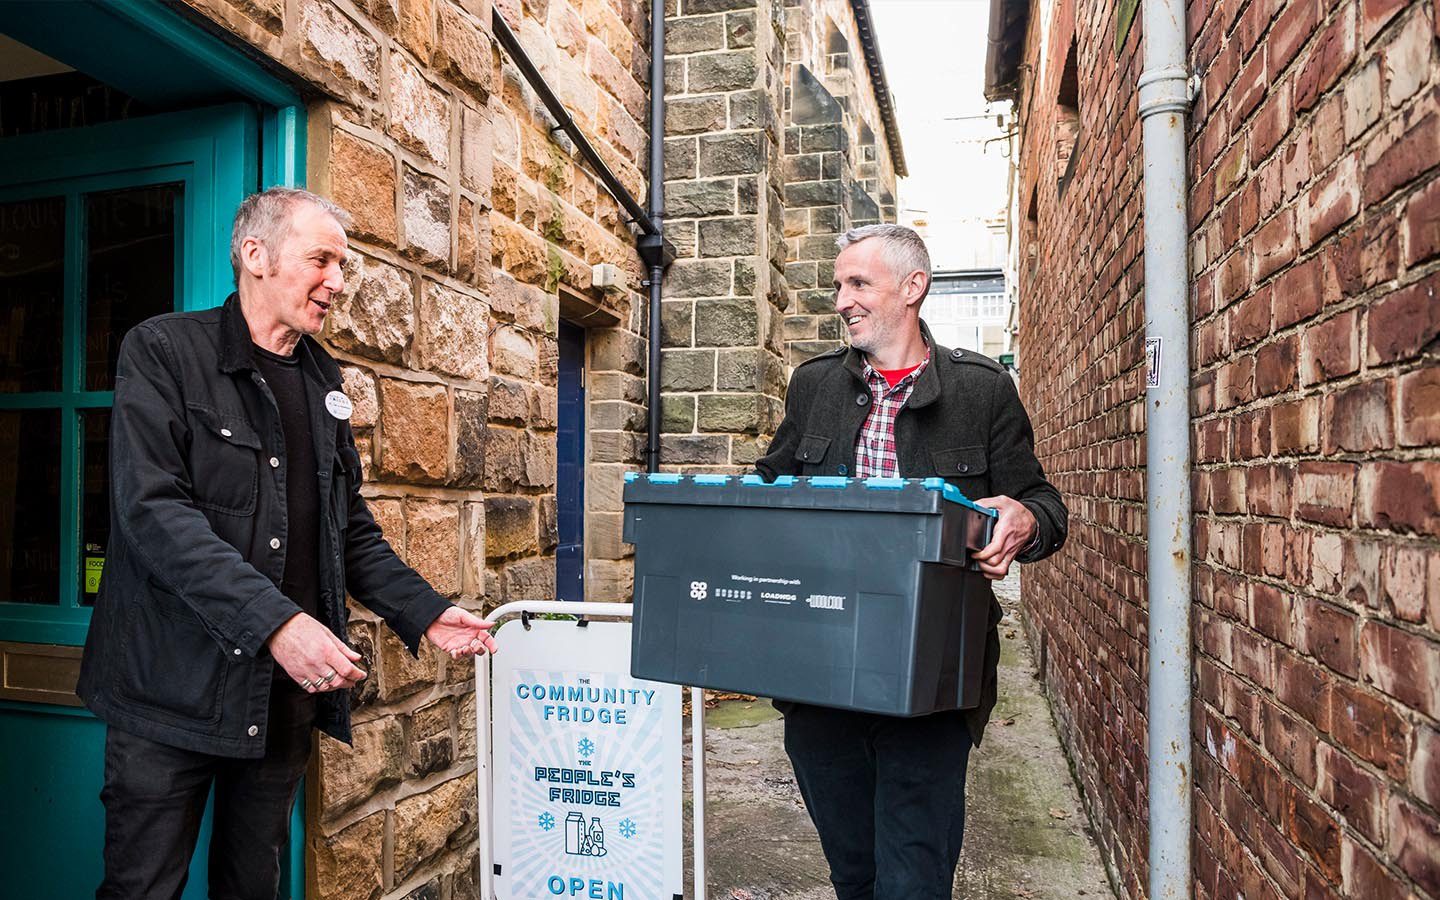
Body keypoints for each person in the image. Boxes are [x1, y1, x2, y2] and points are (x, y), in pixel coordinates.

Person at [77, 187, 498, 900]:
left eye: (342, 264)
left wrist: (424, 610)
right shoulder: (163, 351)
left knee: (254, 886)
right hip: (166, 692)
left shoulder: (321, 378)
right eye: (321, 260)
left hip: (275, 702)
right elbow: (153, 515)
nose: (338, 281)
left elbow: (346, 527)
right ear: (255, 255)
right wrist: (277, 623)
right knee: (141, 888)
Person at [755, 224, 1068, 899]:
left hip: (928, 680)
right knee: (854, 873)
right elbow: (768, 490)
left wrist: (1024, 519)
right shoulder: (814, 387)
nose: (841, 299)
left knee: (915, 878)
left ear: (913, 288)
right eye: (839, 285)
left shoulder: (982, 391)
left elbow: (1044, 504)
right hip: (820, 673)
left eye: (858, 283)